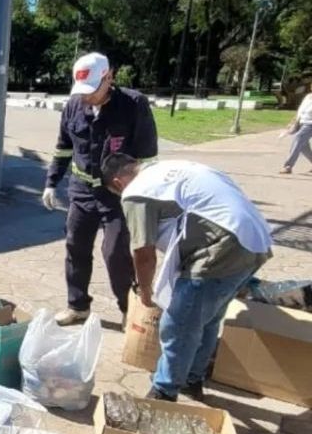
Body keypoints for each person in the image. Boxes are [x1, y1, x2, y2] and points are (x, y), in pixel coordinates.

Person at [102, 154, 272, 402]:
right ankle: (192, 379)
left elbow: (143, 253)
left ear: (118, 183)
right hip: (255, 242)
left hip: (223, 249)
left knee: (178, 323)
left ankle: (164, 391)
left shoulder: (136, 191)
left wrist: (146, 292)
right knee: (208, 318)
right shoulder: (168, 168)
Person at [42, 52, 158, 327]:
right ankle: (77, 306)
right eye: (82, 90)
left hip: (118, 195)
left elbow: (148, 158)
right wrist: (51, 182)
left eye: (92, 89)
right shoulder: (73, 105)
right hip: (81, 192)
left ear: (110, 77)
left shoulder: (133, 104)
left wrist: (145, 198)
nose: (86, 97)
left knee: (115, 253)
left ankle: (128, 308)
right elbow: (63, 148)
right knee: (75, 247)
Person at [279, 90, 312, 174]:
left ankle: (288, 166)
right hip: (302, 122)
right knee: (303, 146)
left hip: (310, 124)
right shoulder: (308, 97)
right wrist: (293, 121)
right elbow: (300, 110)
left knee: (298, 138)